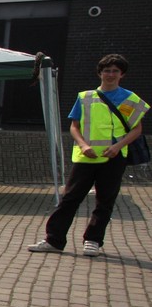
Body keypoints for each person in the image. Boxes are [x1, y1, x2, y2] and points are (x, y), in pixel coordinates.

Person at [28, 53, 147, 257]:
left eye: (115, 71)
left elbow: (137, 129)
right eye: (107, 70)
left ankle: (93, 241)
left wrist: (118, 146)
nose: (110, 74)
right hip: (86, 157)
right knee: (70, 198)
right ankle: (53, 240)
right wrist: (83, 145)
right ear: (100, 73)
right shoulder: (85, 97)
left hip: (113, 157)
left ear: (122, 75)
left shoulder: (130, 99)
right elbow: (74, 126)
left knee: (105, 201)